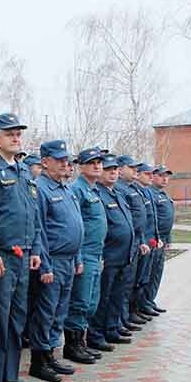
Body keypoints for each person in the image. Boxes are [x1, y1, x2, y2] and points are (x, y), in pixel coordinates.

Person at [0, 113, 42, 382]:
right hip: (3, 255)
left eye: (18, 134)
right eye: (9, 134)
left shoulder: (23, 170)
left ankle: (10, 375)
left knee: (17, 318)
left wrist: (35, 250)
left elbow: (32, 214)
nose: (16, 138)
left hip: (24, 253)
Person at [28, 140, 88, 382]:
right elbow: (38, 229)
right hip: (51, 260)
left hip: (68, 260)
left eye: (67, 160)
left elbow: (77, 226)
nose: (66, 164)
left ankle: (51, 354)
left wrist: (78, 257)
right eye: (60, 160)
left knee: (59, 311)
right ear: (45, 162)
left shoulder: (64, 189)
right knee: (46, 312)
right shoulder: (40, 189)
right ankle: (39, 360)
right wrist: (45, 265)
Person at [87, 153, 135, 350]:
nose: (113, 172)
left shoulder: (117, 193)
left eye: (115, 169)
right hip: (109, 255)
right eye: (108, 169)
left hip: (123, 254)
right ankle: (96, 335)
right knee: (103, 298)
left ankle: (112, 328)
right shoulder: (97, 194)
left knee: (117, 295)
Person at [65, 148, 108, 361]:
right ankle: (72, 346)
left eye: (99, 161)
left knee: (91, 301)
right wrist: (79, 257)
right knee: (80, 301)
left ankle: (81, 341)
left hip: (95, 253)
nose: (97, 165)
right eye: (92, 162)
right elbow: (76, 226)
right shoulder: (77, 190)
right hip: (84, 253)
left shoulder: (94, 190)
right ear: (81, 166)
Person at [114, 155, 151, 331]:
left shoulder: (131, 188)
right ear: (121, 170)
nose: (136, 170)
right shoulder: (119, 189)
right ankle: (120, 319)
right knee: (123, 284)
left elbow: (138, 219)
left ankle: (125, 317)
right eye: (132, 167)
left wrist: (142, 240)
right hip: (125, 244)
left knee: (130, 282)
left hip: (136, 240)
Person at [133, 163, 161, 319]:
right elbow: (138, 221)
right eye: (147, 174)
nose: (151, 176)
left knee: (146, 277)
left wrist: (157, 238)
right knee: (138, 279)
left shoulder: (147, 192)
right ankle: (134, 311)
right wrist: (143, 240)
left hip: (150, 241)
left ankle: (141, 306)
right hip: (142, 242)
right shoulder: (135, 192)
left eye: (152, 174)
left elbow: (153, 218)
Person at [146, 165, 175, 312]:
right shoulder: (150, 193)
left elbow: (168, 220)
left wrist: (169, 239)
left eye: (167, 176)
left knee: (157, 273)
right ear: (153, 176)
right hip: (154, 240)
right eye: (161, 175)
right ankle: (144, 303)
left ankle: (150, 301)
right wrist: (156, 239)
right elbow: (153, 219)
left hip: (163, 239)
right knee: (149, 274)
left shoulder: (163, 194)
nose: (165, 179)